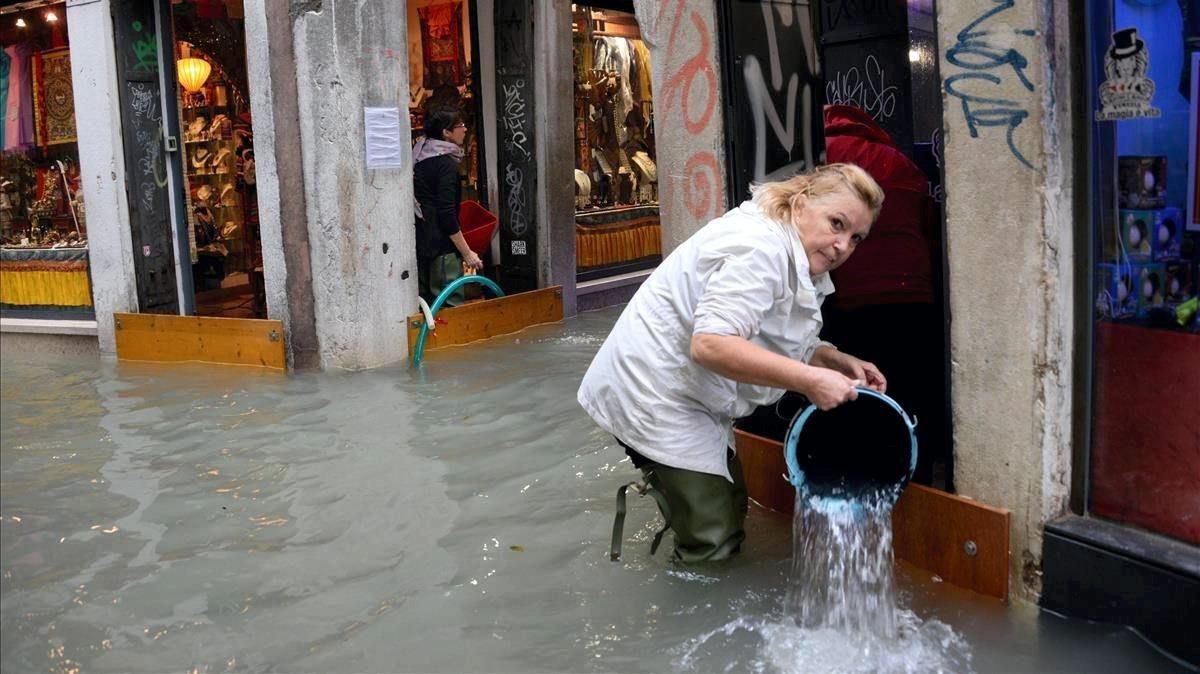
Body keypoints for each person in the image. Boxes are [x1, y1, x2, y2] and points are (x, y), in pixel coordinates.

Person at [578, 163, 886, 563]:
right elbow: (711, 344)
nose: (842, 245)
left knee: (732, 504)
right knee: (713, 540)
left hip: (692, 393)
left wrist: (832, 358)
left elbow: (770, 333)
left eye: (856, 237)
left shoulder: (793, 249)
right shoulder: (760, 249)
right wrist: (809, 381)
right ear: (801, 205)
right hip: (655, 393)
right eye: (837, 223)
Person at [816, 104, 945, 486]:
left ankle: (851, 479)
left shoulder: (822, 160)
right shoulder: (899, 161)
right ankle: (913, 480)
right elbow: (929, 227)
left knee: (850, 391)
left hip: (850, 297)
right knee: (905, 392)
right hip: (911, 297)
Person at [412, 107, 483, 305]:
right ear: (446, 132)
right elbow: (447, 215)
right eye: (460, 126)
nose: (465, 130)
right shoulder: (446, 166)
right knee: (449, 307)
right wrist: (467, 252)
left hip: (423, 244)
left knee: (427, 308)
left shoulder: (420, 159)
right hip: (441, 250)